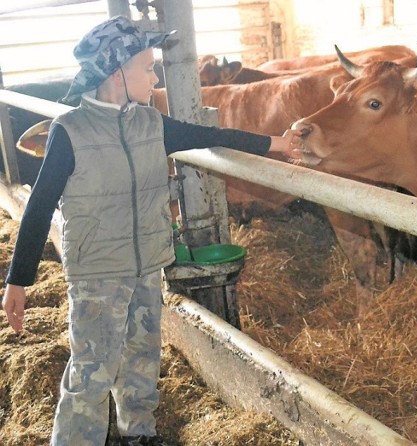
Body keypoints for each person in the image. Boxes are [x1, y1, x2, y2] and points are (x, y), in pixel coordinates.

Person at [1, 15, 302, 446]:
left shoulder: (150, 124)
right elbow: (39, 206)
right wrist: (18, 279)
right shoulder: (71, 132)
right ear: (117, 71)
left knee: (142, 357)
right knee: (93, 369)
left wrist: (277, 143)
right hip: (99, 273)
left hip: (146, 266)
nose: (154, 74)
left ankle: (138, 434)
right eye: (147, 66)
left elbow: (210, 134)